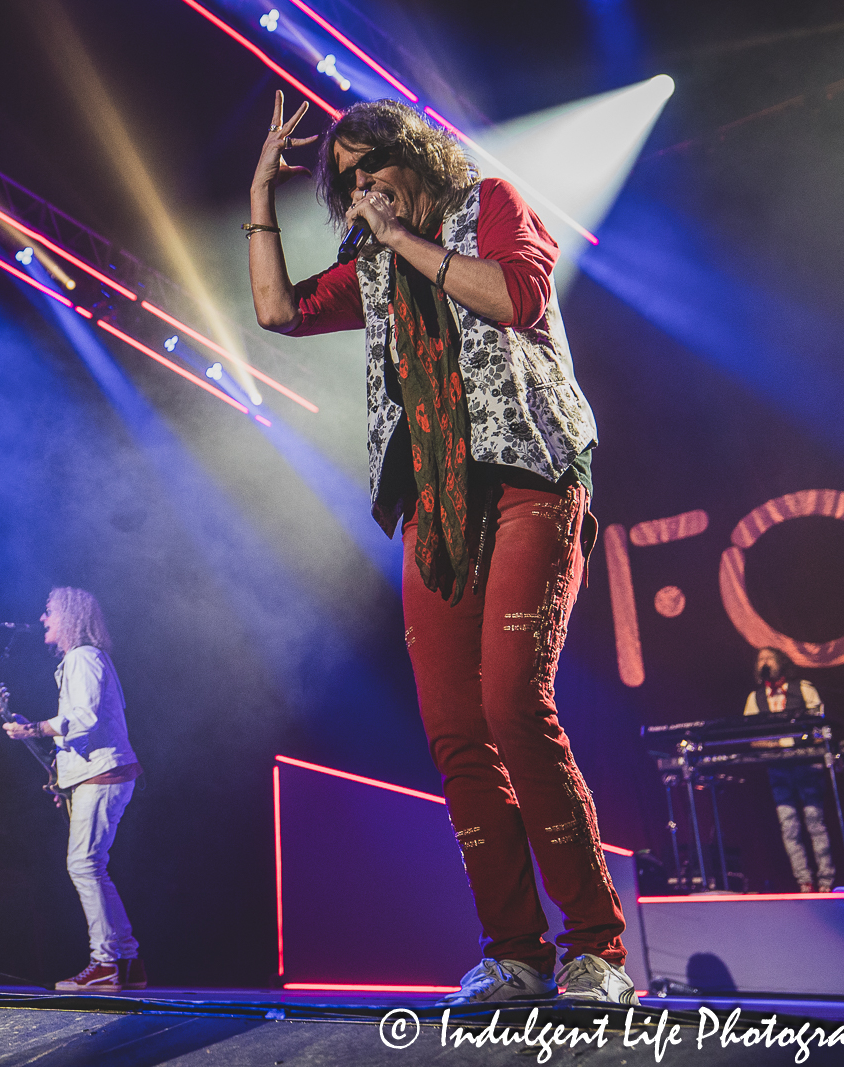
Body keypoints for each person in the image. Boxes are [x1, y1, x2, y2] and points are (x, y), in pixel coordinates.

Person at [248, 93, 633, 1005]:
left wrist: (401, 241)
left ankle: (597, 949)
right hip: (434, 503)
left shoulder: (489, 203)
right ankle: (515, 953)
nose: (361, 188)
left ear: (412, 156)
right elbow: (277, 310)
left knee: (512, 701)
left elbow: (516, 294)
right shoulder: (372, 264)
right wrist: (263, 196)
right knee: (455, 728)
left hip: (531, 475)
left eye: (371, 166)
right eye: (344, 183)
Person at [3, 586, 146, 991]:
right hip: (101, 775)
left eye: (49, 612)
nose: (43, 619)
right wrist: (61, 777)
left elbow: (80, 719)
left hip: (105, 776)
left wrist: (31, 729)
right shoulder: (81, 660)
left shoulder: (83, 658)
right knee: (92, 867)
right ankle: (127, 962)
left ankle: (104, 964)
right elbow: (84, 729)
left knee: (84, 866)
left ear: (68, 617)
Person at [743, 646, 835, 892]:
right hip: (778, 767)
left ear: (781, 662)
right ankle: (803, 880)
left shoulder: (803, 688)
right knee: (789, 824)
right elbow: (750, 735)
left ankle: (826, 880)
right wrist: (771, 745)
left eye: (769, 657)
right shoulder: (756, 697)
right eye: (760, 658)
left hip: (806, 764)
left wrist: (803, 743)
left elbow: (820, 725)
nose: (764, 662)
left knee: (815, 821)